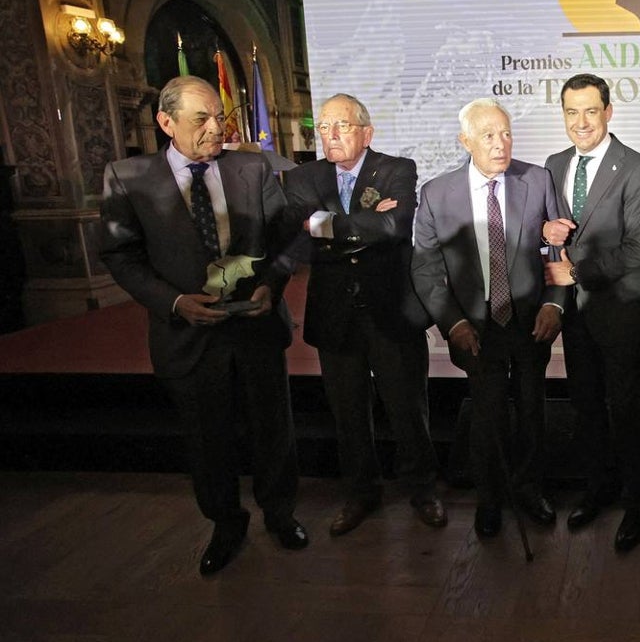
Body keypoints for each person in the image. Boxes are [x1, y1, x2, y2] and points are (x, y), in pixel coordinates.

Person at [100, 75, 306, 576]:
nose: (217, 128)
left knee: (272, 431)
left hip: (255, 328)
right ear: (166, 122)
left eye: (220, 117)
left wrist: (271, 288)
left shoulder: (252, 168)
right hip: (187, 337)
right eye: (201, 119)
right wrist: (173, 302)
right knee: (206, 439)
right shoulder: (128, 177)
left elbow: (289, 242)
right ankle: (225, 524)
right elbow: (120, 255)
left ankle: (280, 514)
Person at [284, 94, 445, 537]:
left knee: (408, 406)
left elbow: (396, 228)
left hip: (391, 309)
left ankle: (422, 489)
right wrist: (366, 222)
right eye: (324, 127)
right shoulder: (302, 176)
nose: (330, 135)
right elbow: (301, 234)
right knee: (348, 412)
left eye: (342, 126)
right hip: (335, 314)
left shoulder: (397, 169)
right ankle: (361, 492)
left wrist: (329, 225)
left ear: (366, 133)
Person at [411, 98, 566, 539]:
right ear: (465, 141)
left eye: (506, 133)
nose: (501, 145)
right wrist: (453, 323)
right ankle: (490, 499)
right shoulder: (437, 194)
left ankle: (530, 489)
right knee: (487, 415)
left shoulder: (536, 180)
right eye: (488, 136)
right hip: (474, 328)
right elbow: (425, 267)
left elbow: (559, 252)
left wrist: (555, 304)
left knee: (532, 409)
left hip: (530, 320)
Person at [542, 73, 640, 552]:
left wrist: (578, 273)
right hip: (574, 315)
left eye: (591, 110)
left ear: (609, 111)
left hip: (621, 310)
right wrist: (546, 231)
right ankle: (598, 489)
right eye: (572, 112)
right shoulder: (552, 164)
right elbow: (548, 231)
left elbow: (639, 248)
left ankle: (636, 503)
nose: (581, 121)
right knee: (586, 407)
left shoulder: (638, 166)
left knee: (626, 410)